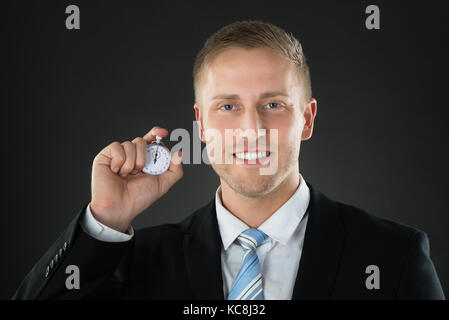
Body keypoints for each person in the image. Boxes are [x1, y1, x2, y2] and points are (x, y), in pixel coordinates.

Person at [13, 20, 444, 300]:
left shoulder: (394, 256)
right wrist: (104, 220)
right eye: (228, 107)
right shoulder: (132, 262)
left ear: (307, 119)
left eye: (273, 104)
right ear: (200, 125)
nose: (251, 129)